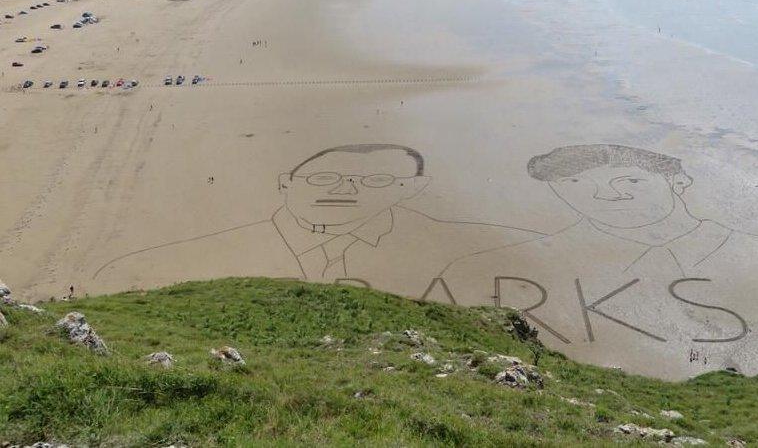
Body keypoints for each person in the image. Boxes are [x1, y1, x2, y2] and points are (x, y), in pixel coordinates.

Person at [439, 144, 758, 378]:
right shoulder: (485, 267)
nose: (605, 196)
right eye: (578, 187)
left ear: (678, 183)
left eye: (629, 183)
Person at [94, 144, 541, 298]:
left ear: (410, 190)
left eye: (379, 180)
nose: (344, 189)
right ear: (285, 183)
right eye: (324, 177)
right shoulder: (171, 259)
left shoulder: (469, 247)